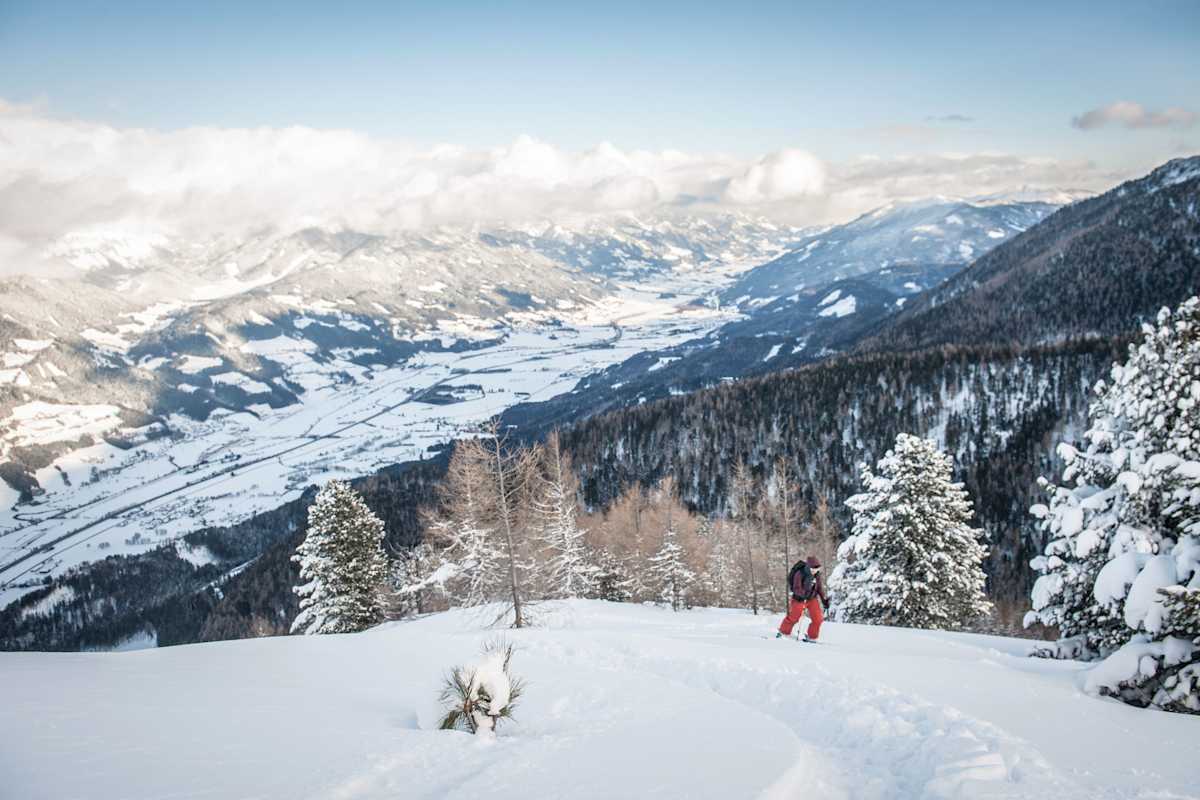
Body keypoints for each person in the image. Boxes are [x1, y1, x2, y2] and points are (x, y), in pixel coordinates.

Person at [776, 556, 829, 642]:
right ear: (808, 567)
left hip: (812, 599)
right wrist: (803, 594)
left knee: (818, 618)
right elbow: (796, 588)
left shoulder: (816, 575)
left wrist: (824, 600)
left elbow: (819, 588)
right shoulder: (800, 573)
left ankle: (812, 637)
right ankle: (783, 632)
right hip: (799, 599)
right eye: (813, 568)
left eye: (817, 568)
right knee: (794, 617)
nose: (815, 570)